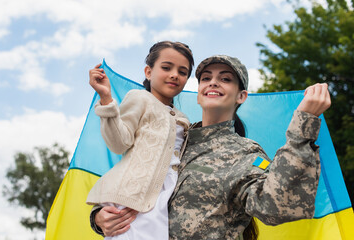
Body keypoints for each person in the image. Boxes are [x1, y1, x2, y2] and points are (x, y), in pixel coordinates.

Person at [90, 55, 331, 240]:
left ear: (241, 96)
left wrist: (304, 127)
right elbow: (132, 183)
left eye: (225, 79)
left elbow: (276, 207)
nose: (213, 82)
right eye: (206, 78)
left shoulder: (246, 153)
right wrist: (100, 218)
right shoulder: (168, 141)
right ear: (198, 93)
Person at [86, 41, 194, 240]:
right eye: (166, 67)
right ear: (148, 72)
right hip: (134, 200)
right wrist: (106, 99)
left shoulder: (184, 119)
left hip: (167, 198)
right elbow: (119, 143)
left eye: (183, 71)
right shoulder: (139, 98)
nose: (174, 75)